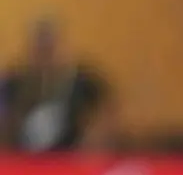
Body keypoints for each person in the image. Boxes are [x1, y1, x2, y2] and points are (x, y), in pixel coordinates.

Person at [0, 17, 118, 154]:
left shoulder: (82, 82)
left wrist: (92, 142)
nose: (44, 56)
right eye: (39, 49)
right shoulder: (15, 83)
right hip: (24, 162)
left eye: (49, 49)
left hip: (69, 161)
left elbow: (108, 111)